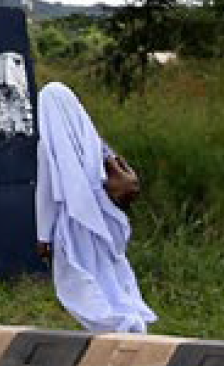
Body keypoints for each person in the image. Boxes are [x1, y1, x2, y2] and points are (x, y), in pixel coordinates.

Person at [33, 80, 153, 333]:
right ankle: (128, 315)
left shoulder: (48, 146)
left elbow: (46, 193)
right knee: (109, 271)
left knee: (78, 278)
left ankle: (111, 322)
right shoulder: (92, 139)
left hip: (73, 223)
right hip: (103, 217)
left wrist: (44, 236)